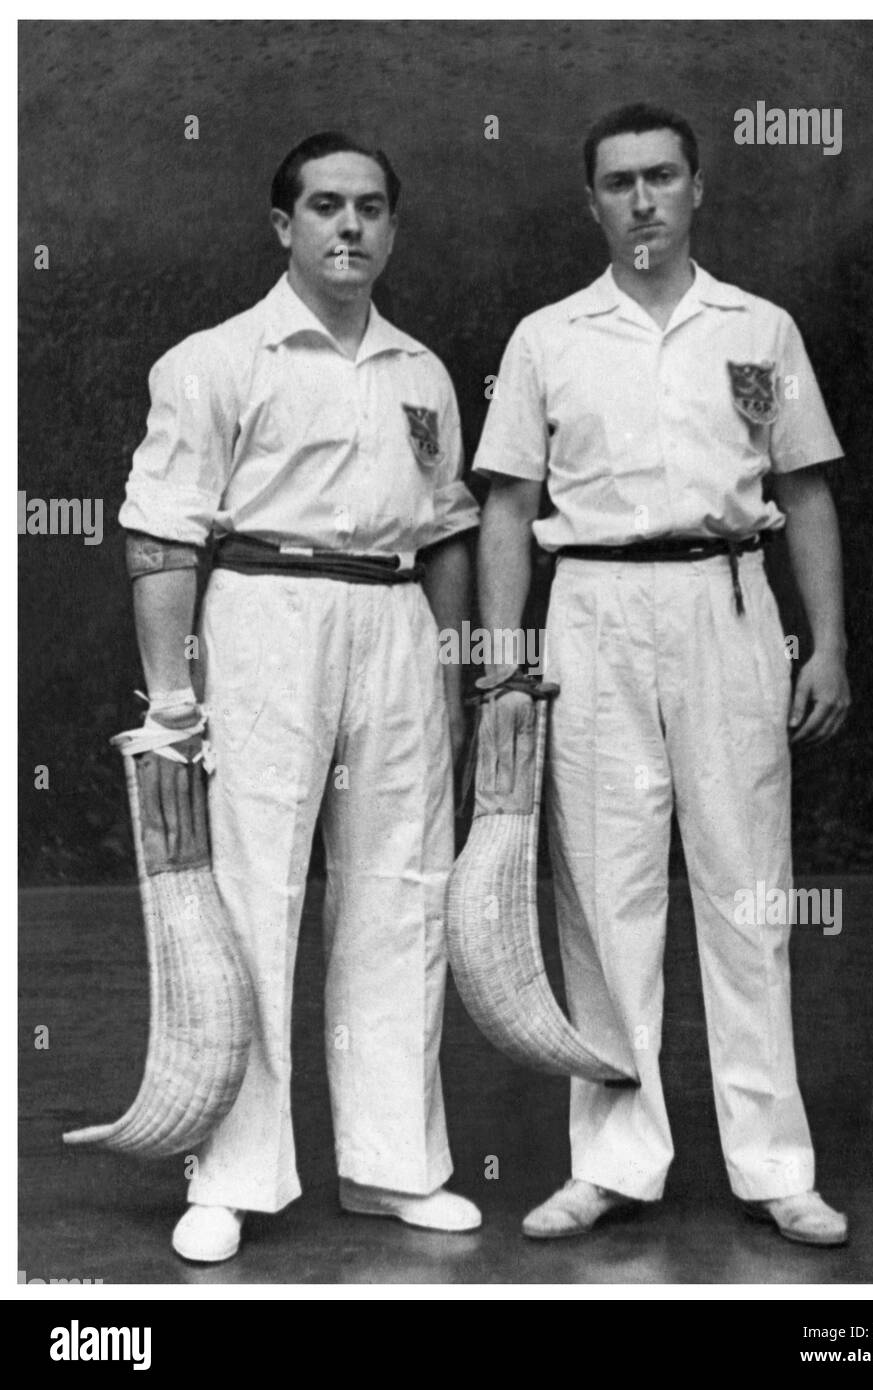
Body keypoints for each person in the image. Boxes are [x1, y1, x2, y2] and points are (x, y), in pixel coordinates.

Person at [473, 104, 851, 1245]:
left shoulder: (761, 327)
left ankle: (773, 1163)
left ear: (696, 190)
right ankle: (614, 1162)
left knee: (746, 890)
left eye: (662, 177)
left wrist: (826, 643)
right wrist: (501, 664)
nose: (642, 199)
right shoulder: (546, 337)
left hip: (727, 605)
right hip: (587, 610)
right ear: (589, 202)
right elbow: (505, 505)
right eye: (619, 182)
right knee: (602, 892)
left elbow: (811, 489)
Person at [119, 131, 482, 1263]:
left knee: (401, 889)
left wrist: (455, 663)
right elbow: (160, 532)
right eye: (325, 206)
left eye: (371, 207)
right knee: (253, 891)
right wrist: (173, 697)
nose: (350, 227)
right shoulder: (216, 358)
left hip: (395, 625)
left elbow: (447, 529)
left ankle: (392, 1163)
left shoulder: (421, 370)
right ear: (283, 227)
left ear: (392, 225)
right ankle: (231, 1173)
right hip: (264, 613)